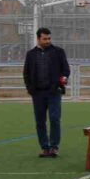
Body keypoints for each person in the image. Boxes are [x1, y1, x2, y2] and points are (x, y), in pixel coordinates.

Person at [23, 27, 70, 158]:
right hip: (37, 94)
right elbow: (26, 73)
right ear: (38, 39)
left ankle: (54, 147)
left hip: (54, 92)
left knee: (55, 119)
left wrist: (63, 79)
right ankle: (44, 147)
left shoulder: (58, 52)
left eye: (49, 38)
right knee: (40, 121)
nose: (48, 41)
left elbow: (66, 70)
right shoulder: (31, 54)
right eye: (45, 39)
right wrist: (30, 89)